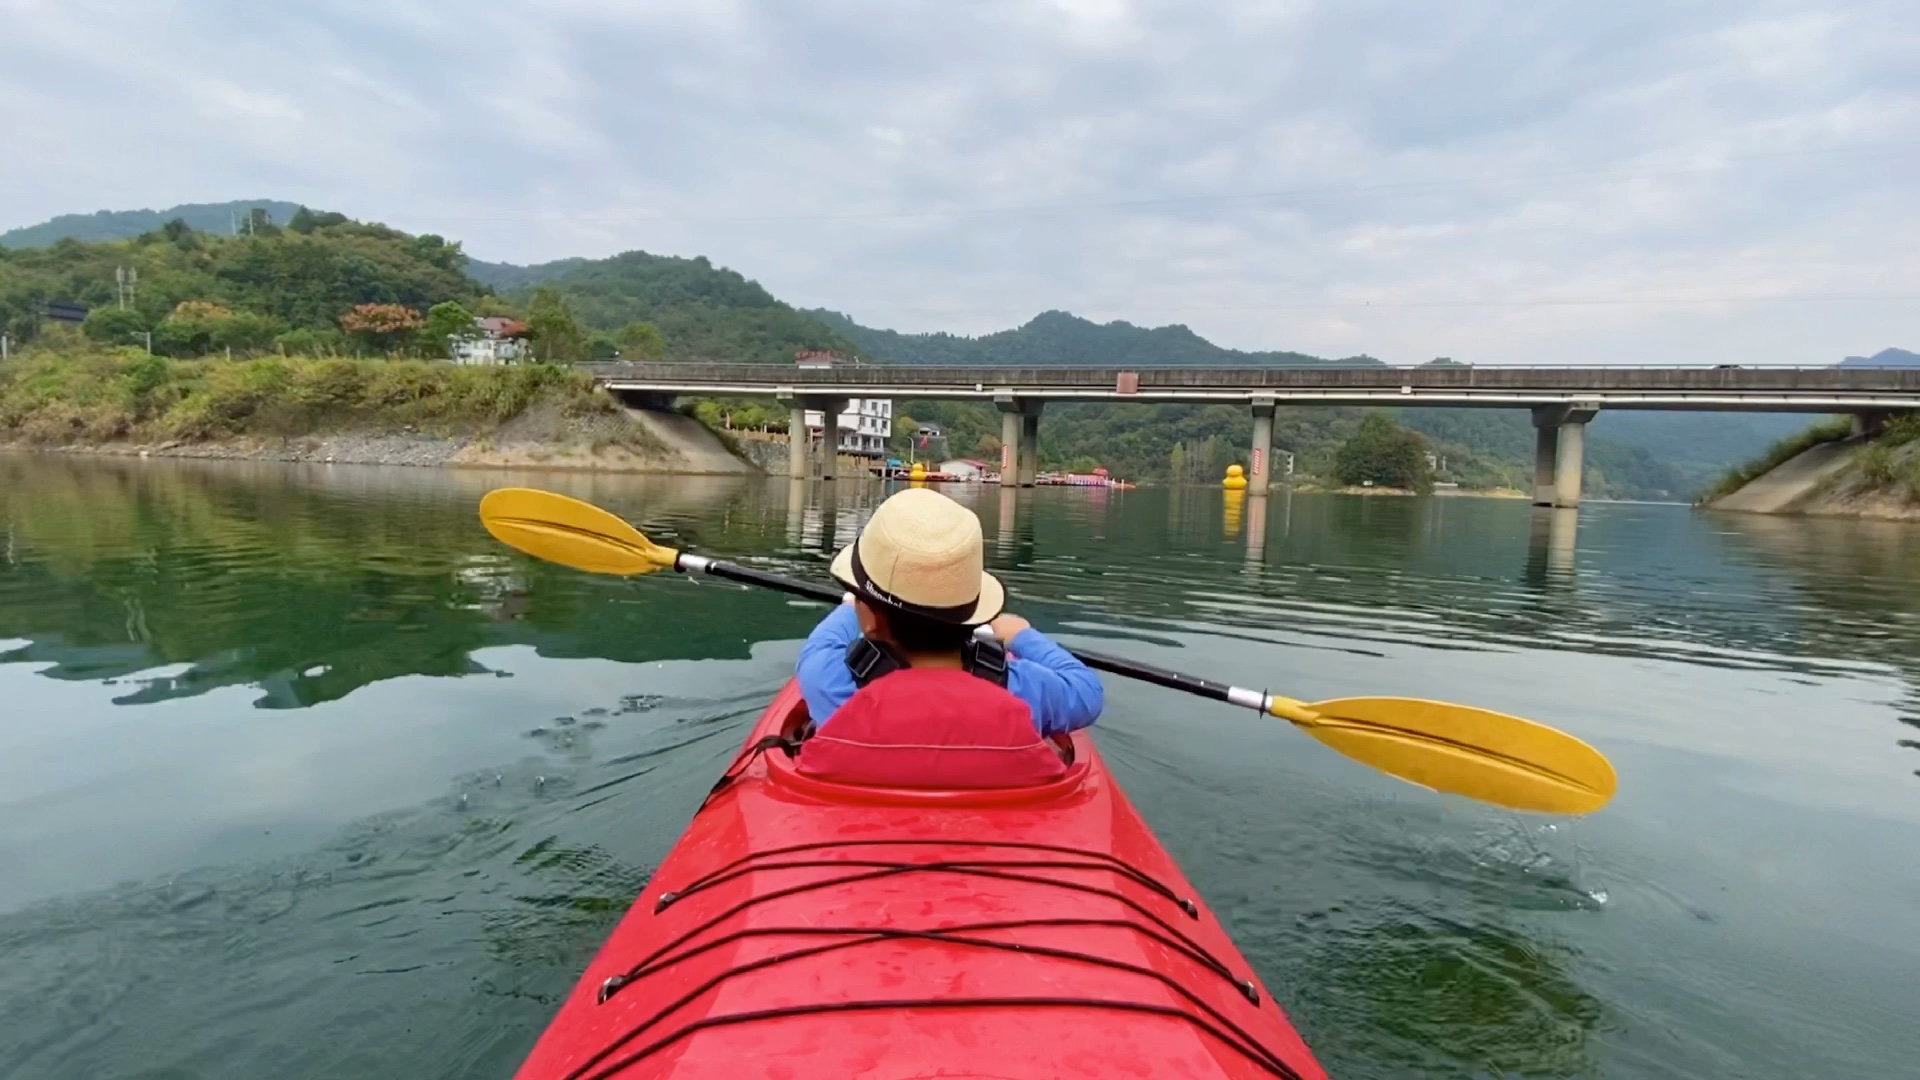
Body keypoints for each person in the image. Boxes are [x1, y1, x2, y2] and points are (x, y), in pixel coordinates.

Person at [793, 488, 1103, 787]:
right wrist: (1022, 636)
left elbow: (823, 643)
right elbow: (1088, 692)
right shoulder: (1023, 689)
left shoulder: (830, 679)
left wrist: (855, 603)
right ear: (971, 612)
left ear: (871, 618)